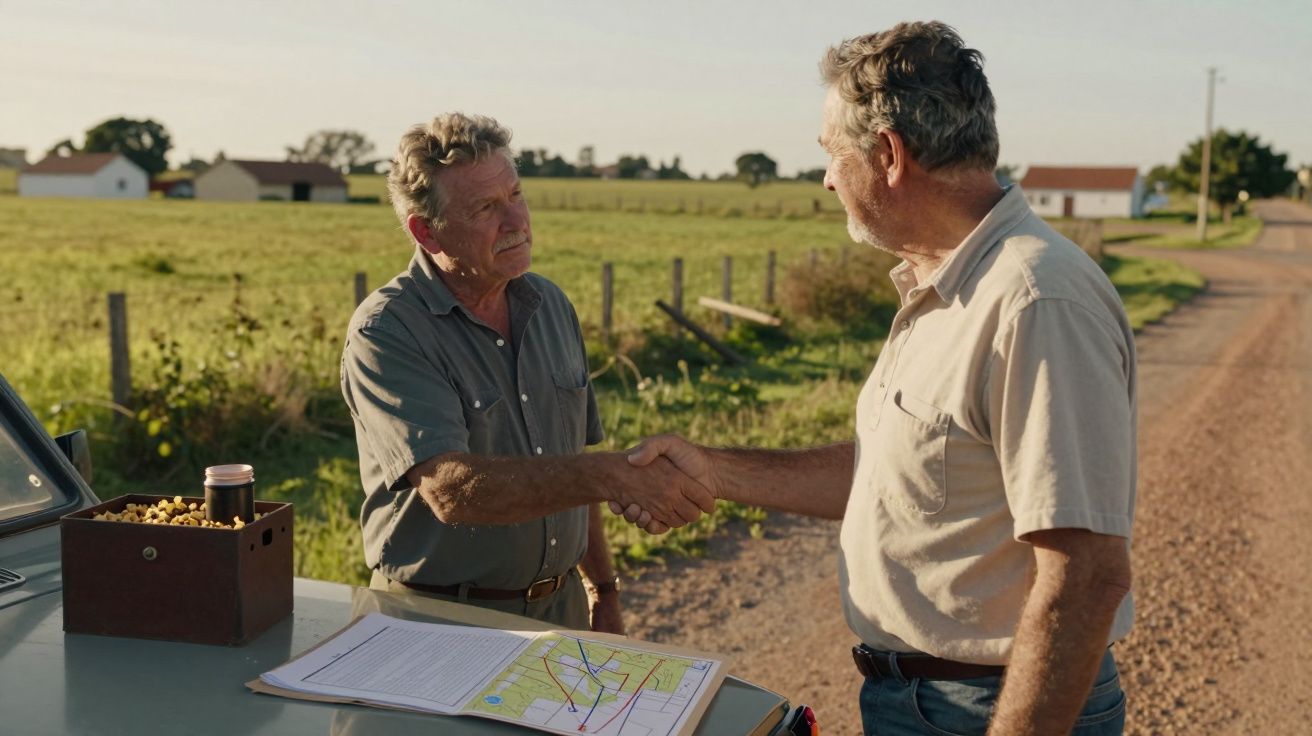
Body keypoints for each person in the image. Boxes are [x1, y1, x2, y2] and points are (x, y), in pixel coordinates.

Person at [619, 22, 1136, 735]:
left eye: (831, 154)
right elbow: (898, 477)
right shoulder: (945, 283)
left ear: (888, 155)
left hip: (990, 706)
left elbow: (1087, 576)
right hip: (930, 701)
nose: (828, 178)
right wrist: (714, 470)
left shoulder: (1034, 301)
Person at [340, 113, 714, 634]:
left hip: (560, 609)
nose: (516, 220)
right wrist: (610, 474)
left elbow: (571, 466)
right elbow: (449, 491)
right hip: (437, 621)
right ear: (426, 231)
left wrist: (603, 590)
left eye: (515, 195)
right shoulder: (389, 330)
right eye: (485, 208)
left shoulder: (550, 305)